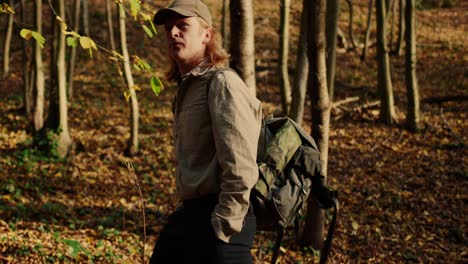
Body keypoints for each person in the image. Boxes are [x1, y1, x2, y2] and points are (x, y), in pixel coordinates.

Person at [149, 0, 262, 263]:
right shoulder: (185, 91)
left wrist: (223, 226)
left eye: (182, 26)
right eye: (168, 29)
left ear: (206, 35)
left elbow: (241, 164)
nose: (173, 33)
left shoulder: (222, 83)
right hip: (192, 215)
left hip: (225, 220)